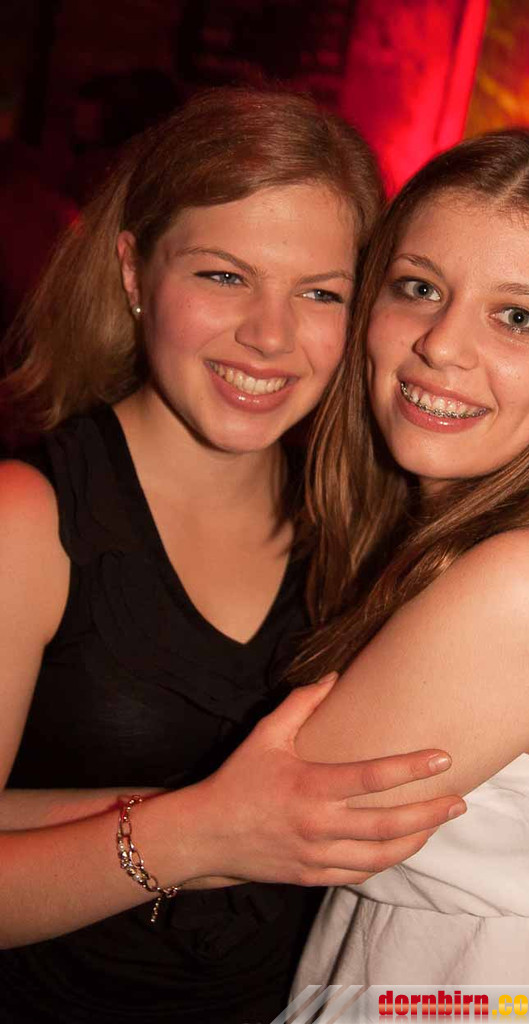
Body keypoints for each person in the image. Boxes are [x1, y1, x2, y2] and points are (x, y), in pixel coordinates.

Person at [0, 88, 466, 1023]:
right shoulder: (27, 518)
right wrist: (206, 830)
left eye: (320, 293)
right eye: (223, 275)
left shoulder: (360, 532)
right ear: (134, 269)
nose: (269, 335)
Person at [291, 129, 529, 996]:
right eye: (419, 288)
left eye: (517, 317)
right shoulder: (506, 545)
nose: (441, 344)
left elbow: (251, 824)